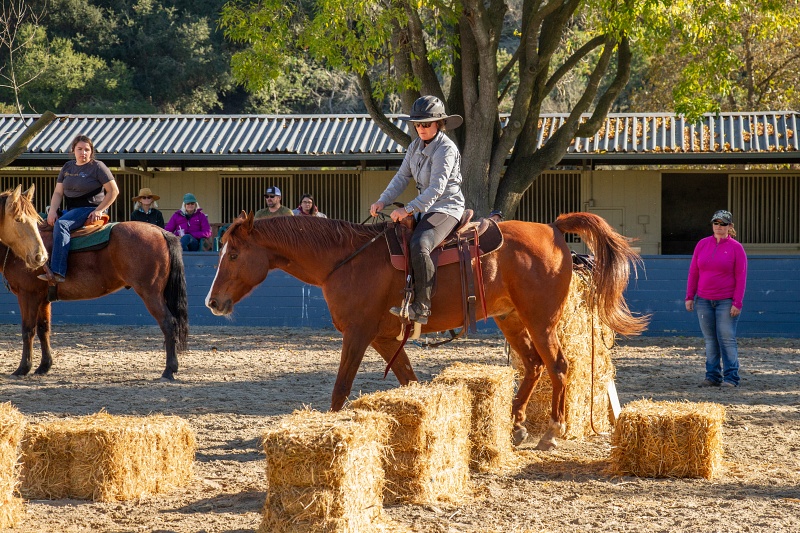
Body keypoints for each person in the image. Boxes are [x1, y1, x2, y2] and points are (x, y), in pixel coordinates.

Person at [369, 95, 465, 324]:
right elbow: (402, 177)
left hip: (447, 207)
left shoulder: (446, 149)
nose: (421, 128)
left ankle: (422, 307)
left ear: (439, 124)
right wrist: (383, 200)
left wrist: (409, 209)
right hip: (425, 208)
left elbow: (437, 188)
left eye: (426, 124)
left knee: (420, 244)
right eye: (417, 124)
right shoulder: (414, 146)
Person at [38, 134, 119, 283]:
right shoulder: (67, 167)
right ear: (73, 150)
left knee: (62, 225)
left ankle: (58, 272)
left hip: (90, 208)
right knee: (38, 222)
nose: (83, 153)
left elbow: (113, 191)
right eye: (80, 149)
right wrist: (52, 211)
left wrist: (99, 210)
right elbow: (58, 192)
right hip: (70, 210)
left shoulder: (98, 167)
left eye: (87, 149)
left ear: (91, 151)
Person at [685, 209, 748, 388]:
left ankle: (731, 378)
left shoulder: (736, 248)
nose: (719, 227)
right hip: (704, 299)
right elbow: (694, 271)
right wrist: (690, 296)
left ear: (730, 227)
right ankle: (712, 376)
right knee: (710, 339)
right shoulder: (702, 245)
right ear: (712, 225)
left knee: (726, 338)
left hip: (726, 300)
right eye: (716, 223)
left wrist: (737, 302)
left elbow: (741, 276)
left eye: (723, 224)